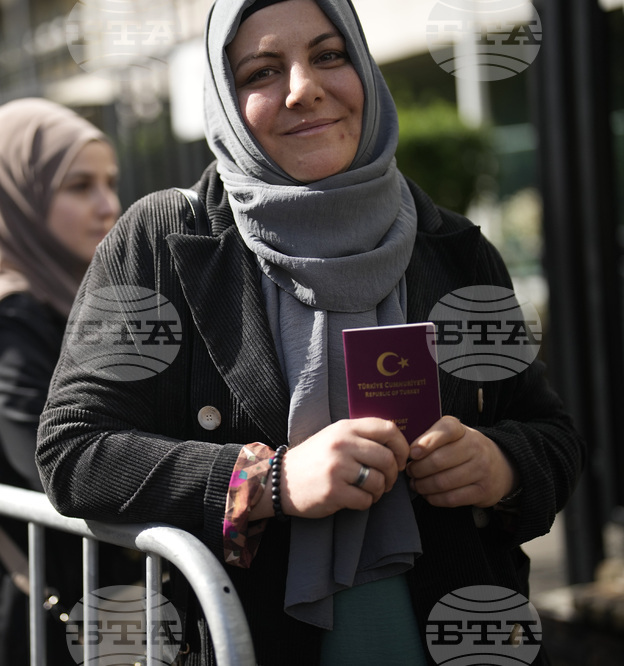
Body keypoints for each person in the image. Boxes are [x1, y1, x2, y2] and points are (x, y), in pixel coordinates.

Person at [35, 1, 586, 664]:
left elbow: (552, 435)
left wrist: (501, 465)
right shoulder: (162, 242)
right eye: (262, 72)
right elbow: (75, 450)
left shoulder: (452, 249)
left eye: (330, 55)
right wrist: (269, 482)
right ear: (225, 100)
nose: (305, 88)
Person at [0, 98, 125, 664]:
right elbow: (51, 459)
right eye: (79, 186)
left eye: (110, 182)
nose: (108, 205)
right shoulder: (10, 312)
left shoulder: (73, 295)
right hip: (43, 611)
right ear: (17, 196)